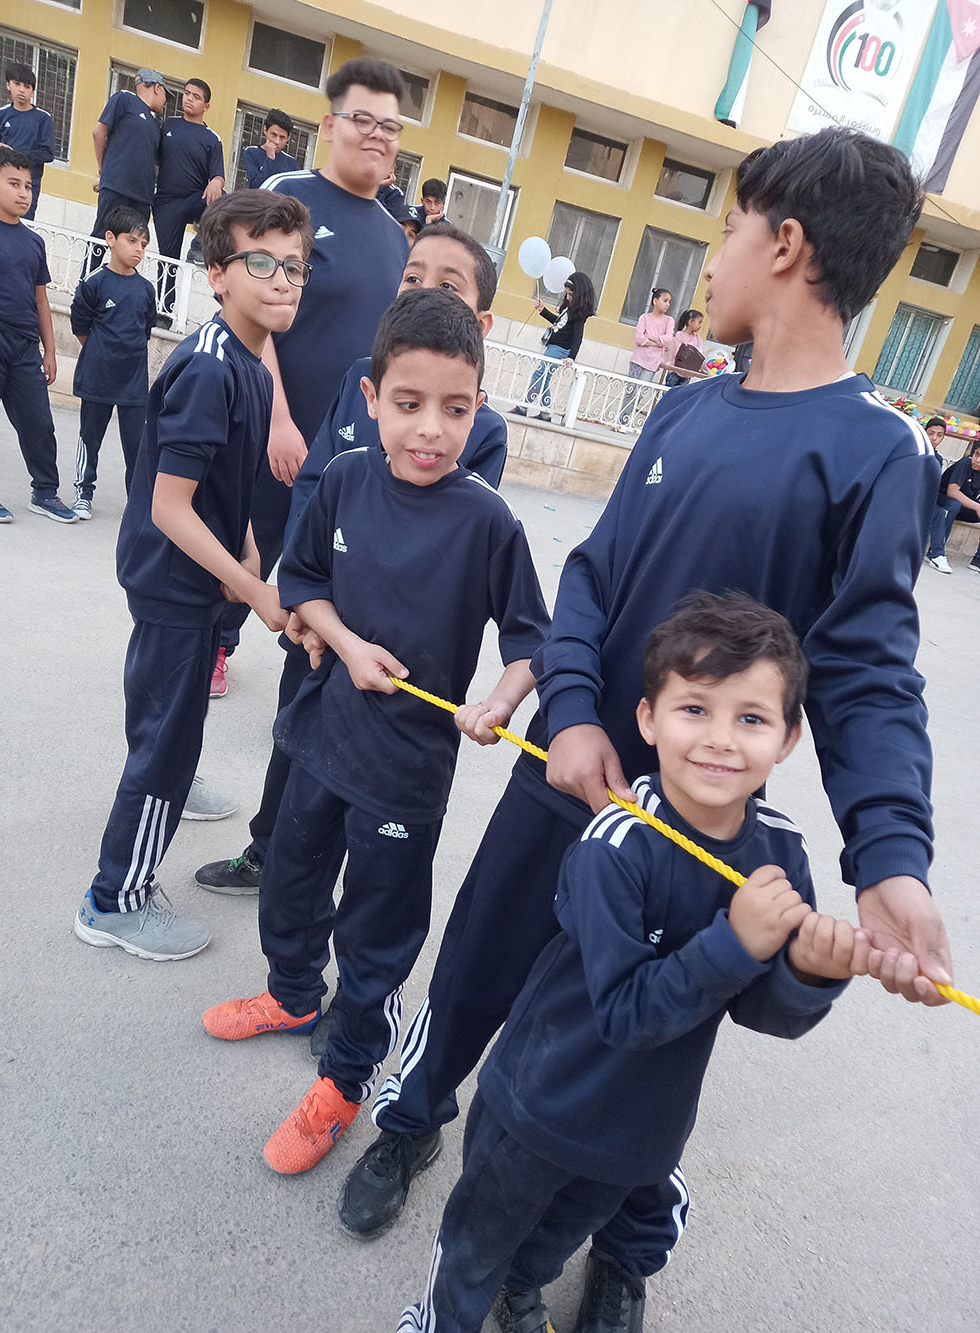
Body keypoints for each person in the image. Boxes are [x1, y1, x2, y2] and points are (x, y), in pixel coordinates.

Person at [340, 129, 953, 1333]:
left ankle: (622, 1244)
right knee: (476, 963)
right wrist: (571, 713)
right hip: (568, 775)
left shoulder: (880, 451)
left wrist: (892, 859)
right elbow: (592, 578)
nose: (711, 260)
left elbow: (870, 672)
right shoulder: (682, 411)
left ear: (785, 244)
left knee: (653, 1034)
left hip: (697, 825)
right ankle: (411, 1119)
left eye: (726, 231)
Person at [398, 592, 860, 1333]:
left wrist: (809, 972)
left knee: (553, 1241)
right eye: (694, 709)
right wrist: (737, 942)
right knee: (475, 1246)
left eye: (751, 718)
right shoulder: (614, 843)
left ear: (789, 737)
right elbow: (622, 1011)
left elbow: (759, 1008)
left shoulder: (780, 852)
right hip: (537, 1106)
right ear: (648, 719)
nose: (720, 739)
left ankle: (523, 1288)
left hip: (641, 1129)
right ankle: (440, 1320)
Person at [201, 288, 550, 1178]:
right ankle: (290, 995)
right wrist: (349, 645)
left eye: (456, 409)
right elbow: (303, 583)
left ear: (480, 407)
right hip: (321, 734)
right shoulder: (347, 478)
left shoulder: (489, 520)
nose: (431, 429)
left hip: (406, 770)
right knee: (288, 882)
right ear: (371, 397)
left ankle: (345, 1077)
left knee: (375, 934)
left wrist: (498, 702)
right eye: (409, 403)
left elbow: (532, 643)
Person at [195, 223, 508, 898]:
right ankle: (270, 851)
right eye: (413, 276)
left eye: (448, 285)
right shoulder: (358, 379)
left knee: (367, 777)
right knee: (295, 740)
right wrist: (305, 601)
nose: (423, 290)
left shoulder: (480, 430)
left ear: (481, 323)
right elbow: (314, 486)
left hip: (391, 649)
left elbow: (444, 541)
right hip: (319, 621)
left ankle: (341, 885)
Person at [72, 189, 312, 960]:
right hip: (174, 580)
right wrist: (254, 587)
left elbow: (220, 481)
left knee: (171, 724)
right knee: (165, 747)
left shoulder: (249, 361)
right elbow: (171, 506)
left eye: (295, 266)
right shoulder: (212, 368)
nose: (283, 280)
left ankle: (168, 775)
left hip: (197, 577)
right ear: (217, 274)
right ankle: (115, 899)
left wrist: (247, 548)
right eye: (261, 262)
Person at [213, 57, 409, 690]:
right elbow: (252, 310)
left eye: (390, 126)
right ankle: (212, 643)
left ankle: (310, 680)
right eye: (362, 119)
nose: (376, 135)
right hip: (272, 426)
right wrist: (277, 418)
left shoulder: (395, 237)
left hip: (342, 445)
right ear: (329, 125)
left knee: (327, 564)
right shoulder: (290, 196)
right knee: (246, 544)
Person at [0, 148, 76, 524]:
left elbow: (40, 300)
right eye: (14, 184)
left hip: (24, 346)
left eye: (29, 186)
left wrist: (49, 351)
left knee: (38, 422)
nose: (23, 193)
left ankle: (45, 492)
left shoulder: (34, 243)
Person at [70, 206, 156, 516]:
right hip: (98, 378)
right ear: (110, 239)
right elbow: (80, 326)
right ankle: (83, 492)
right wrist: (101, 351)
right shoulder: (94, 283)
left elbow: (146, 330)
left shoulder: (146, 289)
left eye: (143, 244)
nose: (138, 249)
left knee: (137, 446)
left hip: (134, 384)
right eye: (132, 241)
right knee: (89, 438)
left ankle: (138, 503)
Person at [153, 78, 226, 319]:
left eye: (196, 96)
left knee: (223, 200)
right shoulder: (168, 125)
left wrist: (217, 181)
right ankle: (164, 313)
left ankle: (199, 245)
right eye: (187, 93)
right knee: (167, 261)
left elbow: (218, 175)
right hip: (166, 203)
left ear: (206, 105)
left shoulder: (212, 138)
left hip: (195, 200)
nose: (189, 99)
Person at [89, 69, 167, 271]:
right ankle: (86, 281)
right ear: (157, 88)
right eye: (165, 94)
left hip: (142, 196)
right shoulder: (124, 99)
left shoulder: (155, 125)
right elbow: (99, 132)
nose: (165, 101)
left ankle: (122, 283)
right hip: (116, 186)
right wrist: (103, 171)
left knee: (134, 244)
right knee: (102, 235)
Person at [509, 272, 596, 423]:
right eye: (567, 294)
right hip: (555, 346)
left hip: (560, 349)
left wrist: (572, 357)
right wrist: (543, 310)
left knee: (539, 375)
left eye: (570, 295)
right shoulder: (569, 309)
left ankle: (524, 407)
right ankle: (545, 413)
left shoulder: (579, 315)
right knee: (544, 378)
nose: (567, 298)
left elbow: (578, 337)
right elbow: (560, 323)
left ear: (579, 295)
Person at [0, 61, 55, 220]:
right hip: (2, 180)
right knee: (0, 221)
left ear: (33, 92)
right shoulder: (0, 114)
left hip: (29, 182)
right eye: (17, 84)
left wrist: (15, 154)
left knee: (23, 223)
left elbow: (48, 153)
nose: (22, 90)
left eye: (27, 86)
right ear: (8, 85)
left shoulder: (43, 118)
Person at [618, 288, 674, 427]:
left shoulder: (669, 321)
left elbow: (668, 339)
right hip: (638, 359)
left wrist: (650, 337)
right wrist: (657, 343)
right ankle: (621, 421)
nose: (667, 304)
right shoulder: (644, 317)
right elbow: (639, 338)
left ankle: (625, 420)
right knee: (630, 390)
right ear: (655, 301)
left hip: (653, 362)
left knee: (641, 392)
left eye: (669, 302)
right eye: (665, 301)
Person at [924, 441, 980, 575]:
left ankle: (977, 561)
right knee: (954, 505)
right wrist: (977, 507)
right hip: (941, 500)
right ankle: (935, 553)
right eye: (977, 454)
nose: (977, 460)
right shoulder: (966, 463)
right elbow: (952, 492)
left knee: (957, 505)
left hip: (963, 506)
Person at [243, 109, 297, 189]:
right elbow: (255, 187)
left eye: (282, 137)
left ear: (288, 138)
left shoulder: (291, 163)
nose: (277, 141)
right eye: (274, 135)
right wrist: (270, 159)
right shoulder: (252, 152)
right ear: (265, 130)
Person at [662, 308, 705, 388]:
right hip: (675, 371)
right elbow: (678, 353)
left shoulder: (698, 338)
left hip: (687, 374)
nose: (700, 326)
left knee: (680, 394)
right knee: (668, 392)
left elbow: (699, 354)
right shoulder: (680, 335)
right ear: (691, 322)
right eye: (699, 322)